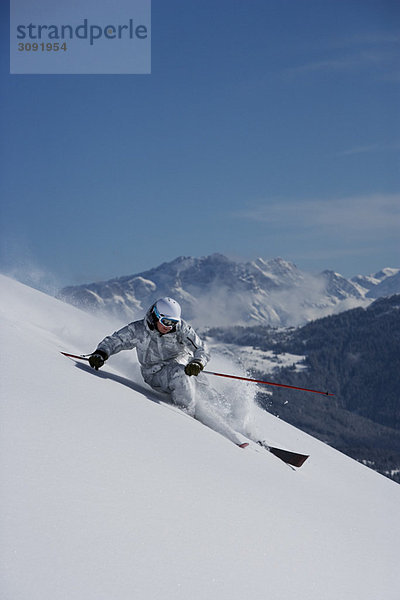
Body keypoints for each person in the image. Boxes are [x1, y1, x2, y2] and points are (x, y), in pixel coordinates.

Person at [89, 297, 248, 447]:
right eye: (165, 321)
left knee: (203, 386)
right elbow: (116, 340)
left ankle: (232, 423)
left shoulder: (181, 329)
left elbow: (201, 348)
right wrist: (101, 353)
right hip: (156, 373)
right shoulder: (138, 330)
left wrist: (198, 362)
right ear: (155, 316)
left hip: (183, 366)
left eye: (173, 322)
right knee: (179, 375)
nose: (168, 326)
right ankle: (188, 416)